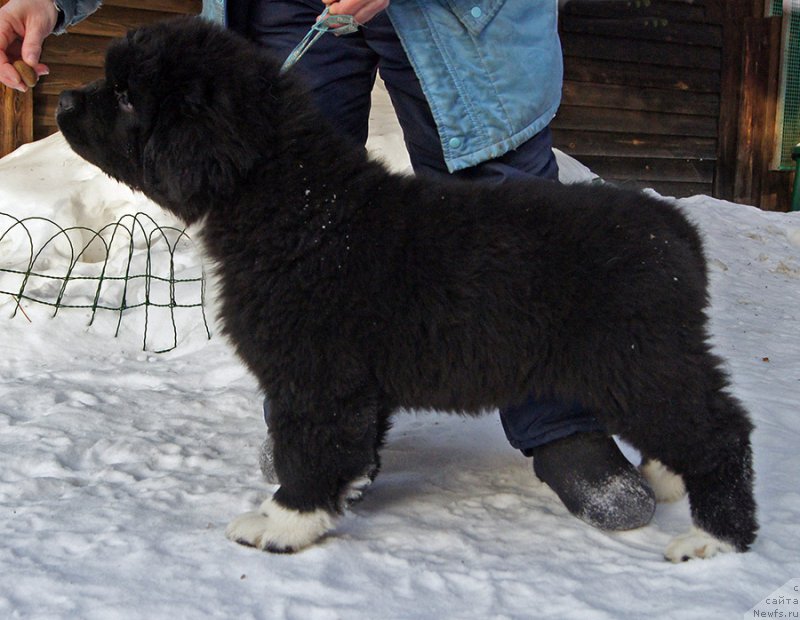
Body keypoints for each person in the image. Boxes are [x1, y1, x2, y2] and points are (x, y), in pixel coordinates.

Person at [0, 0, 656, 531]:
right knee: (294, 222)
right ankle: (324, 436)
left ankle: (561, 422)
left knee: (505, 204)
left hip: (465, 18)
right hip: (286, 8)